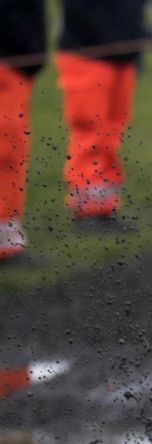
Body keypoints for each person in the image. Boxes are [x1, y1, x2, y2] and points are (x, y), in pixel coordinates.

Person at [57, 0, 150, 229]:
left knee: (111, 132)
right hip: (89, 52)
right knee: (91, 132)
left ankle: (103, 205)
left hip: (121, 53)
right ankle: (87, 210)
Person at [0, 0, 46, 264]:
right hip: (10, 59)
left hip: (17, 62)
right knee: (5, 150)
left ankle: (6, 236)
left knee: (12, 150)